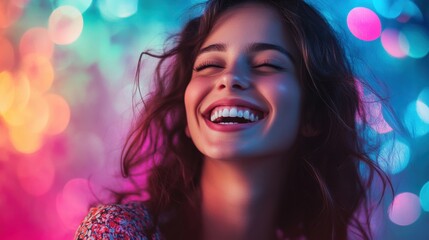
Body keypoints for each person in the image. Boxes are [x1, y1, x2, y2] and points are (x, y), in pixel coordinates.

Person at [74, 0, 392, 239]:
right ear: (187, 113)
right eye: (210, 64)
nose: (229, 78)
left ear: (312, 115)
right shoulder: (118, 232)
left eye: (267, 64)